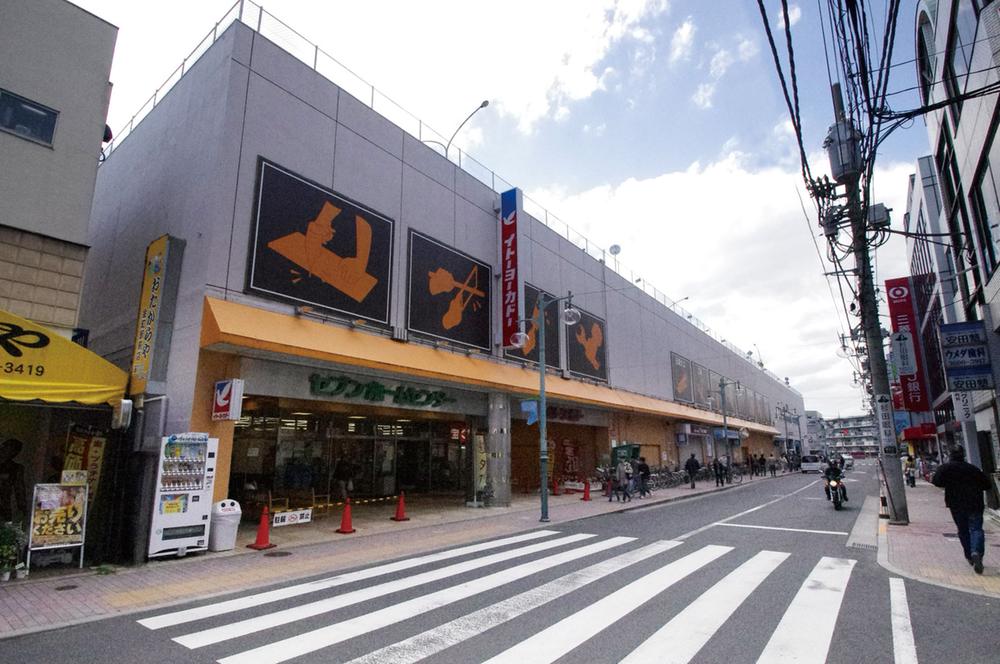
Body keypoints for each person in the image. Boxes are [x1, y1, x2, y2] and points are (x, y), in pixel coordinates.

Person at [932, 446, 991, 574]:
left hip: (956, 505)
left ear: (951, 455)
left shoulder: (946, 468)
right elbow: (987, 484)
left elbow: (936, 481)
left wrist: (949, 484)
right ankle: (977, 552)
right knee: (976, 529)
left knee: (963, 530)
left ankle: (970, 555)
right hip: (975, 503)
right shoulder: (973, 469)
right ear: (963, 455)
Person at [0, 438, 27, 524]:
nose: (3, 448)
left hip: (3, 506)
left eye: (7, 446)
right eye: (4, 445)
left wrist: (22, 508)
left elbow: (20, 489)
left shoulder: (16, 468)